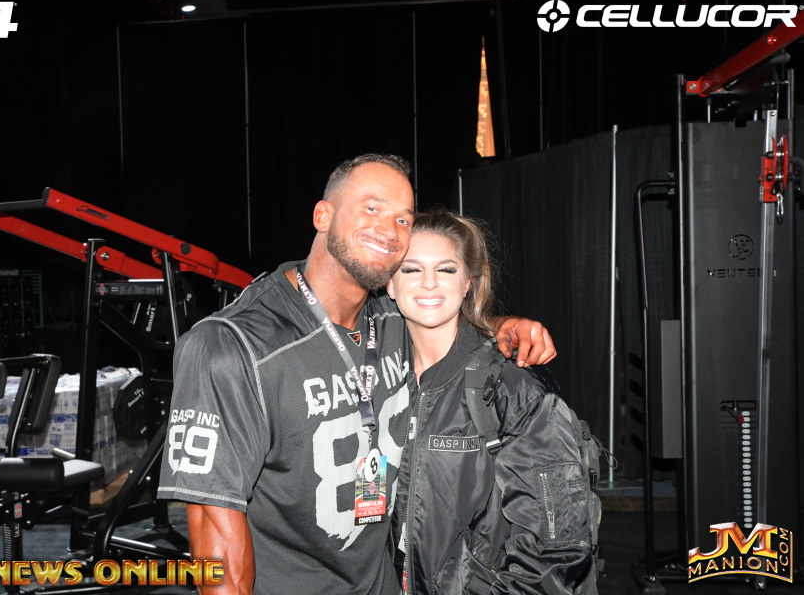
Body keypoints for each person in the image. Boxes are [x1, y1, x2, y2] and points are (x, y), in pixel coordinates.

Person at [156, 154, 557, 595]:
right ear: (322, 215)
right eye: (371, 207)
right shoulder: (233, 346)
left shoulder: (392, 317)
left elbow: (444, 318)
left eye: (403, 219)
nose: (390, 230)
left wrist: (503, 326)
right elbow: (213, 530)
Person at [388, 208, 594, 594]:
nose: (429, 283)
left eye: (446, 269)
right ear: (389, 284)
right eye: (411, 269)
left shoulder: (512, 384)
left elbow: (558, 549)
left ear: (467, 283)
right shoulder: (377, 378)